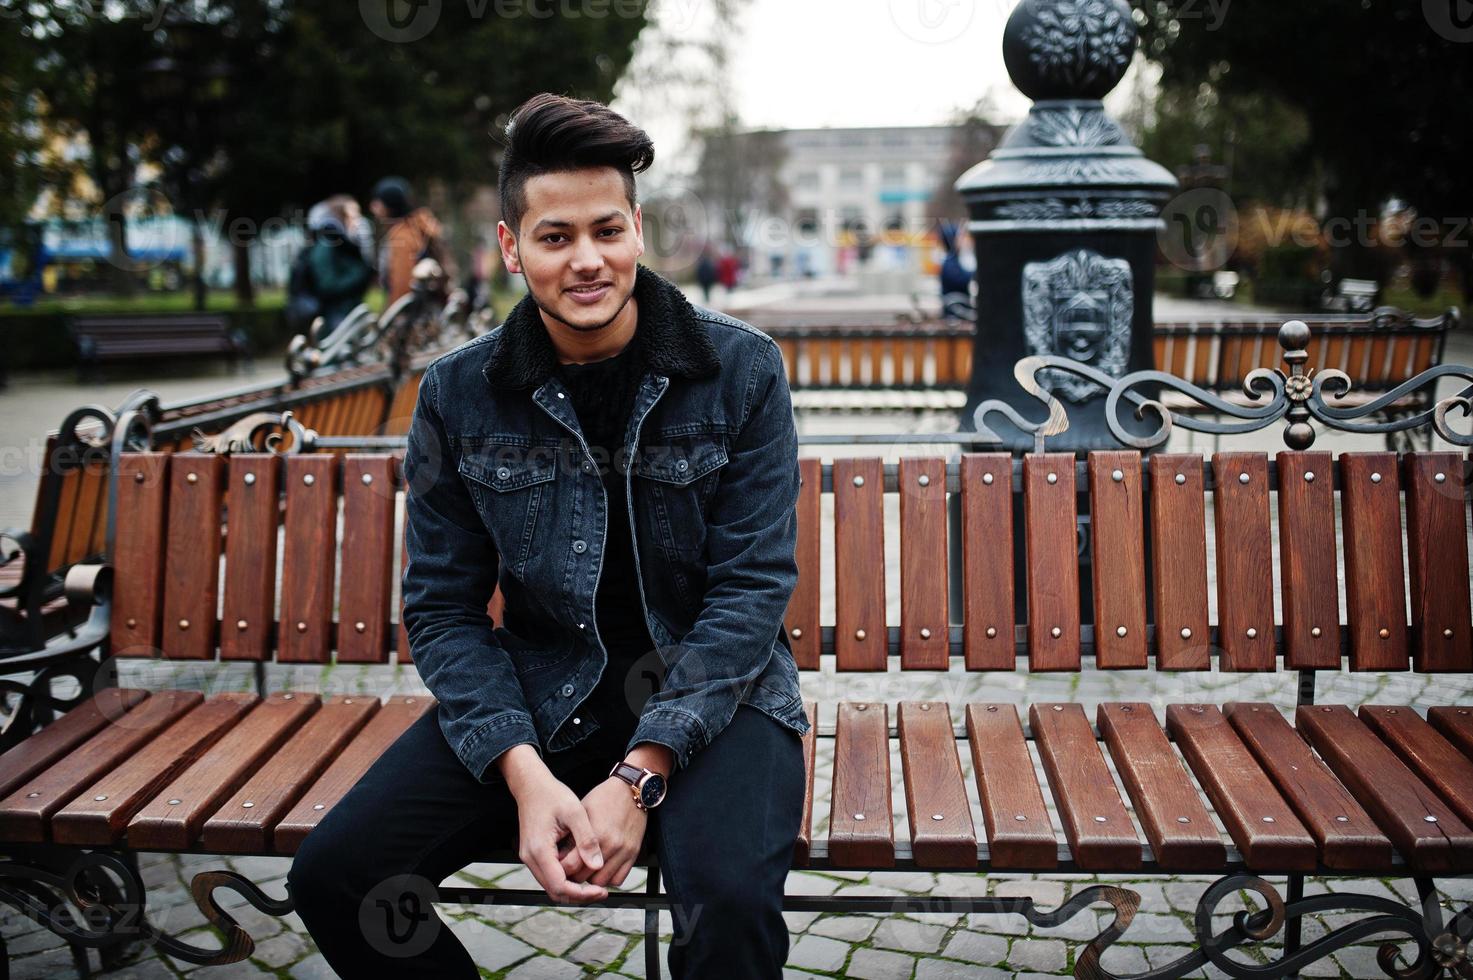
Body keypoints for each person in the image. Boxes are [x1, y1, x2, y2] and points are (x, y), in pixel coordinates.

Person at [288, 93, 809, 979]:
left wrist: (640, 775)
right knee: (338, 874)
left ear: (638, 230)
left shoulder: (741, 369)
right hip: (543, 696)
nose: (587, 261)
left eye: (606, 231)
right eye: (555, 237)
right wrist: (525, 778)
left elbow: (751, 591)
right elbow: (444, 609)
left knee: (726, 903)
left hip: (719, 696)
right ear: (509, 247)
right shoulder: (459, 395)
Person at [285, 198, 373, 339]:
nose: (358, 220)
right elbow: (327, 284)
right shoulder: (328, 244)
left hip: (342, 314)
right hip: (334, 318)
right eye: (353, 215)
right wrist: (360, 275)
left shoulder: (342, 243)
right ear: (339, 216)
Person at [368, 176, 454, 305]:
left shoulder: (402, 236)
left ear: (389, 205)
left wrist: (394, 315)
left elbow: (402, 283)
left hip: (410, 314)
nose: (372, 207)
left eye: (377, 202)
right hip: (426, 310)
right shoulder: (416, 227)